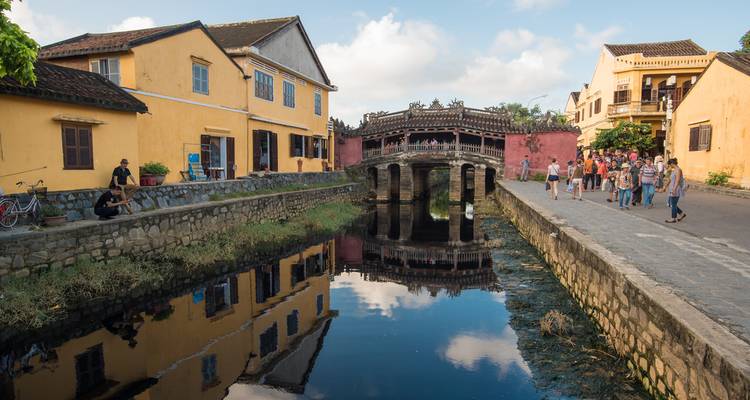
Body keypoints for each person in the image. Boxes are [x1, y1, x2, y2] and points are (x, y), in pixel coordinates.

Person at [665, 158, 687, 223]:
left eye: (670, 165)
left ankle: (673, 218)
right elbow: (670, 179)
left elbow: (677, 181)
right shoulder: (674, 170)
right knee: (670, 204)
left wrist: (674, 189)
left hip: (676, 189)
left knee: (673, 204)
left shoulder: (678, 170)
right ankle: (682, 214)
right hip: (672, 189)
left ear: (672, 164)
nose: (669, 166)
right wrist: (665, 187)